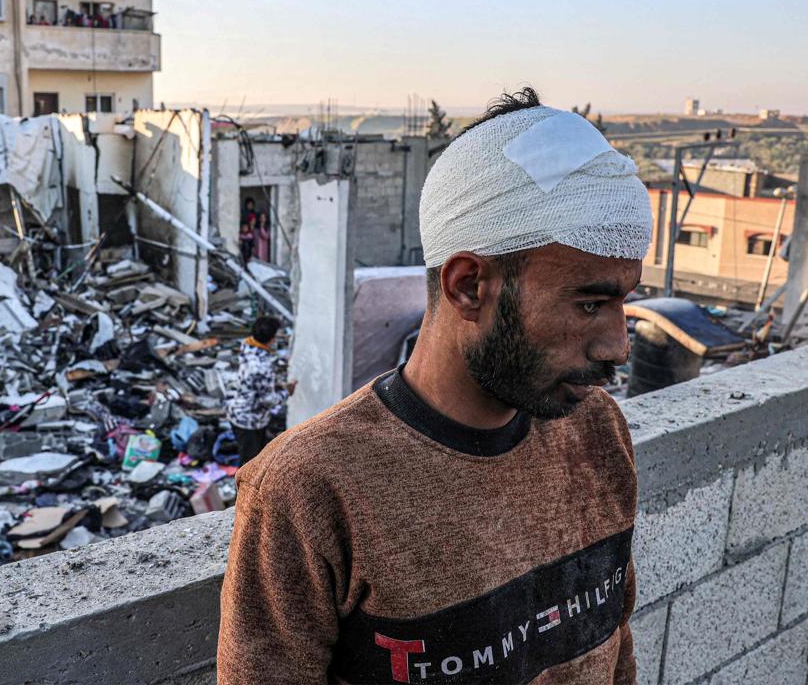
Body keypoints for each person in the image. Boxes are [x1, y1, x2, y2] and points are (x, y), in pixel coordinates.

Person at [218, 87, 652, 684]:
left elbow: (614, 648)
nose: (618, 346)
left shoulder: (598, 432)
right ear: (469, 286)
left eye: (623, 302)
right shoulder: (311, 488)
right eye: (589, 303)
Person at [226, 316, 295, 465]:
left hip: (239, 412)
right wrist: (287, 392)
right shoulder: (262, 366)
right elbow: (268, 400)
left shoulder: (248, 347)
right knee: (249, 465)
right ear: (270, 339)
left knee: (253, 458)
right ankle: (242, 489)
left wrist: (275, 384)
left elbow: (255, 382)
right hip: (249, 421)